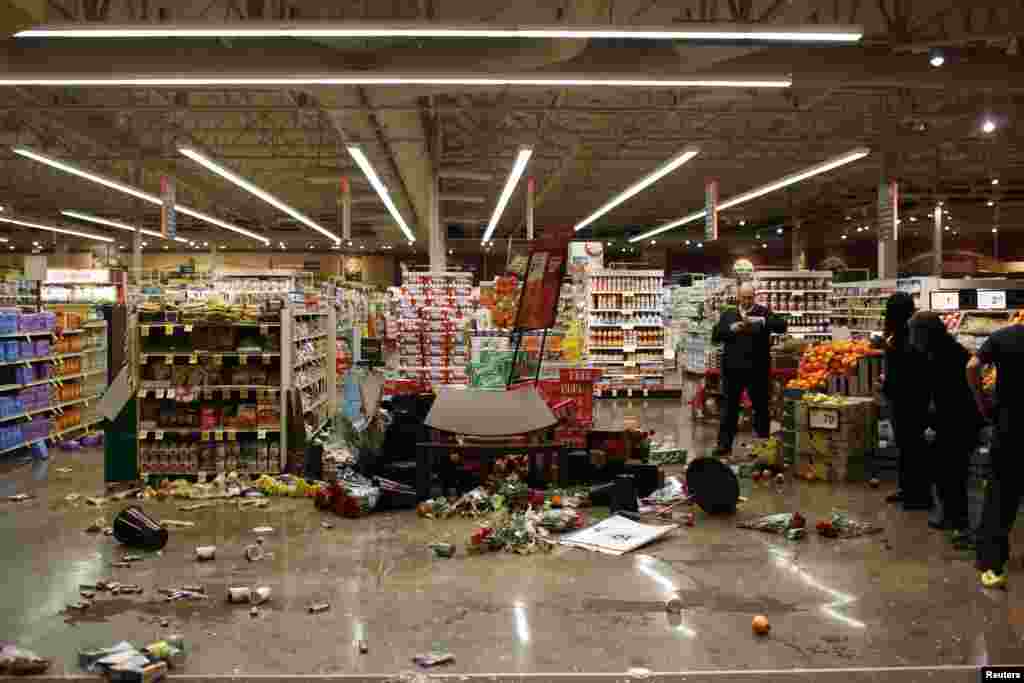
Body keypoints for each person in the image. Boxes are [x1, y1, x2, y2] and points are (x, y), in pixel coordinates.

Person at [908, 312, 982, 539]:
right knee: (948, 472)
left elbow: (946, 397)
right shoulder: (947, 350)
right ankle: (952, 516)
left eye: (914, 334)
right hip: (958, 421)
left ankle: (958, 520)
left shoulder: (942, 356)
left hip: (956, 423)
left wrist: (931, 424)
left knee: (951, 473)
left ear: (924, 334)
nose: (912, 339)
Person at [967, 320, 1024, 590]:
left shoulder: (1004, 336)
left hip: (1009, 427)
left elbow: (972, 366)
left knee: (1001, 495)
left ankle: (992, 563)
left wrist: (980, 399)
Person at [711, 282, 786, 456]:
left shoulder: (762, 312)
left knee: (761, 409)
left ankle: (762, 447)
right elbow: (716, 336)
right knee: (729, 409)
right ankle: (724, 445)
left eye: (750, 297)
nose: (747, 301)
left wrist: (763, 321)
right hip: (732, 369)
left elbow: (782, 326)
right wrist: (731, 329)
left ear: (754, 296)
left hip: (757, 370)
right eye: (744, 297)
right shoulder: (729, 314)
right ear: (738, 297)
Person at [880, 292, 932, 510]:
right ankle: (908, 489)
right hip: (908, 397)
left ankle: (919, 496)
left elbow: (906, 369)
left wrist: (888, 383)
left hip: (908, 399)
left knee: (912, 447)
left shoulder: (906, 335)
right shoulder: (904, 333)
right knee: (907, 446)